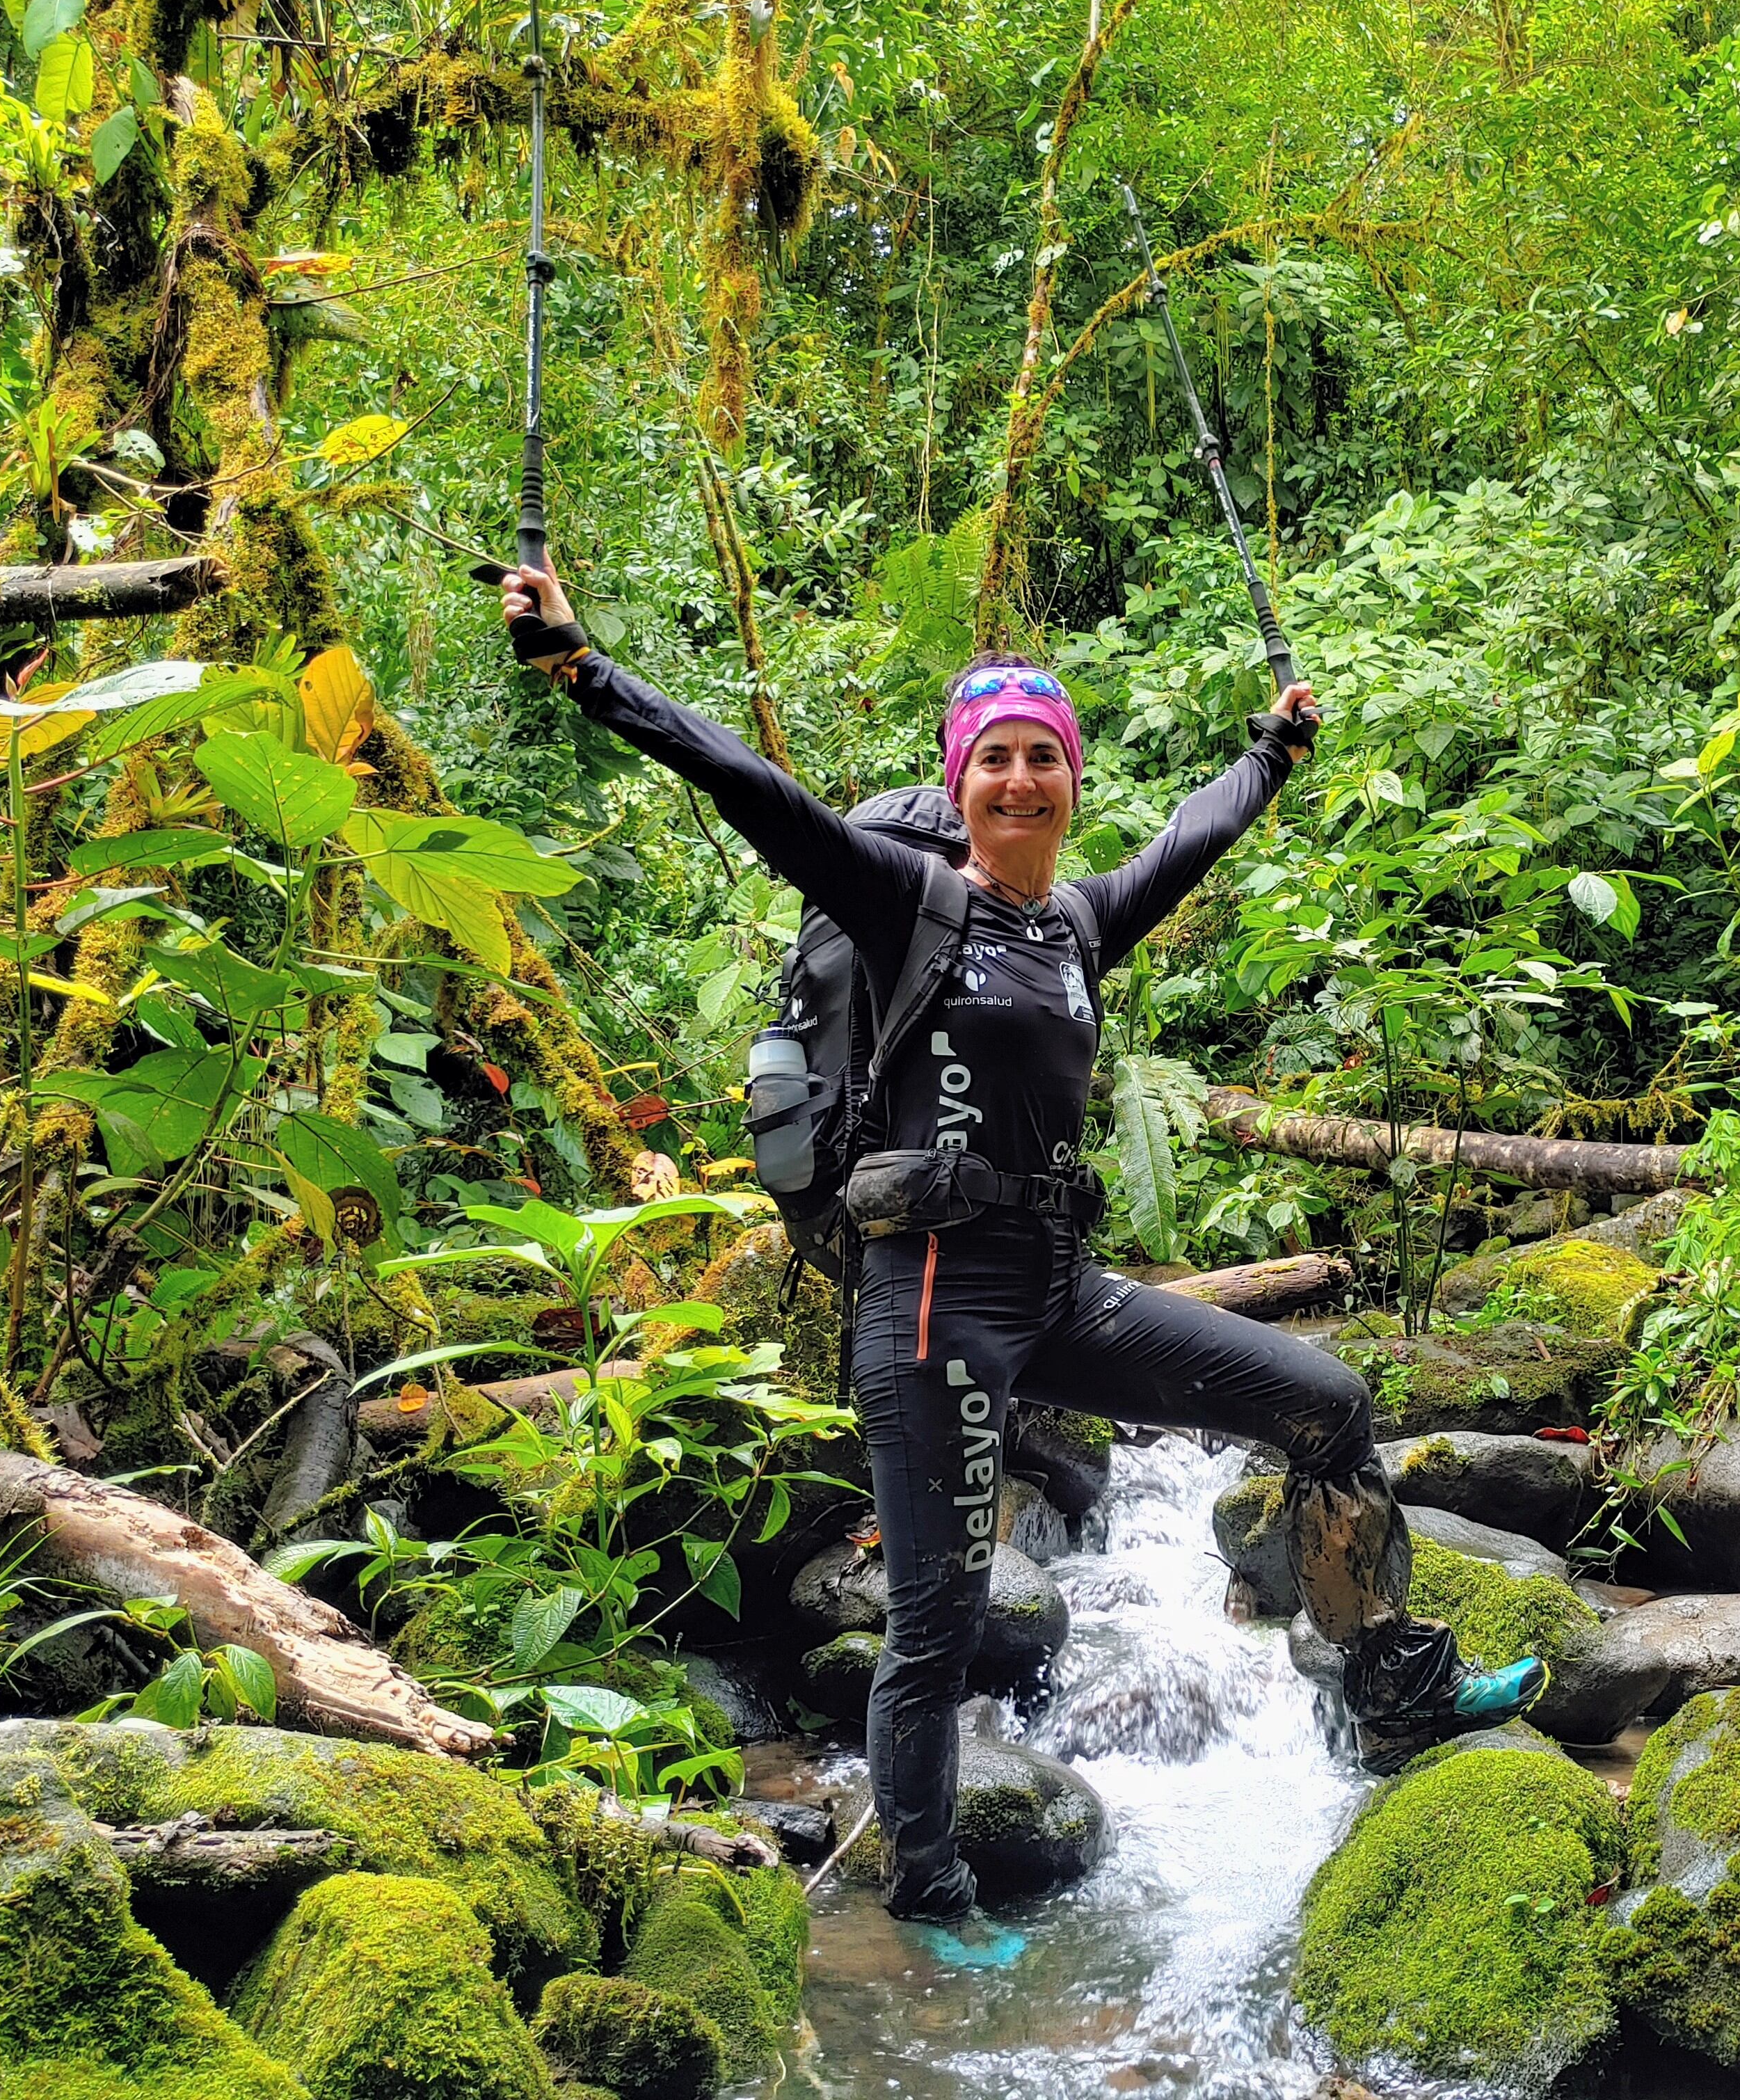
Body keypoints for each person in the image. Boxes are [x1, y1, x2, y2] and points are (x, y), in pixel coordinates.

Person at [500, 567, 1549, 1930]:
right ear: (962, 781)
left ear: (1068, 779)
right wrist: (584, 668)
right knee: (936, 1625)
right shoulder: (902, 899)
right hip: (933, 1304)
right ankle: (930, 1902)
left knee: (1328, 1405)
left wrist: (1274, 753)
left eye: (1041, 757)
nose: (1017, 780)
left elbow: (1192, 839)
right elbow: (747, 785)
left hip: (1060, 1292)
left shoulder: (1078, 924)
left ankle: (1392, 1685)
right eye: (992, 758)